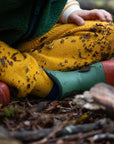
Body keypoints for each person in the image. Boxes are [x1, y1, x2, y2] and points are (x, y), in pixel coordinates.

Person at [0, 0, 114, 104]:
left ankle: (15, 74)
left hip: (31, 39)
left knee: (106, 33)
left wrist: (69, 11)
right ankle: (49, 86)